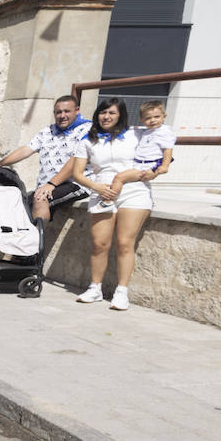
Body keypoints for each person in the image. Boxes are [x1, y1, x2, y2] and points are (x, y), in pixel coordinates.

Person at [65, 96, 159, 311]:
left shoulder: (137, 135)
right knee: (100, 244)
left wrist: (125, 178)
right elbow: (78, 173)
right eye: (103, 112)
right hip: (102, 193)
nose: (106, 117)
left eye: (112, 113)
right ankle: (95, 288)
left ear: (121, 115)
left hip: (133, 192)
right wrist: (96, 187)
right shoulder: (88, 141)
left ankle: (121, 291)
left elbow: (160, 157)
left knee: (125, 243)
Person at [0, 95, 91, 222]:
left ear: (77, 110)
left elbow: (75, 162)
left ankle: (37, 240)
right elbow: (27, 149)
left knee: (40, 199)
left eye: (67, 111)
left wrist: (51, 184)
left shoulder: (88, 129)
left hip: (75, 184)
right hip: (47, 186)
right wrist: (0, 163)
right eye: (58, 112)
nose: (62, 115)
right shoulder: (48, 130)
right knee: (18, 205)